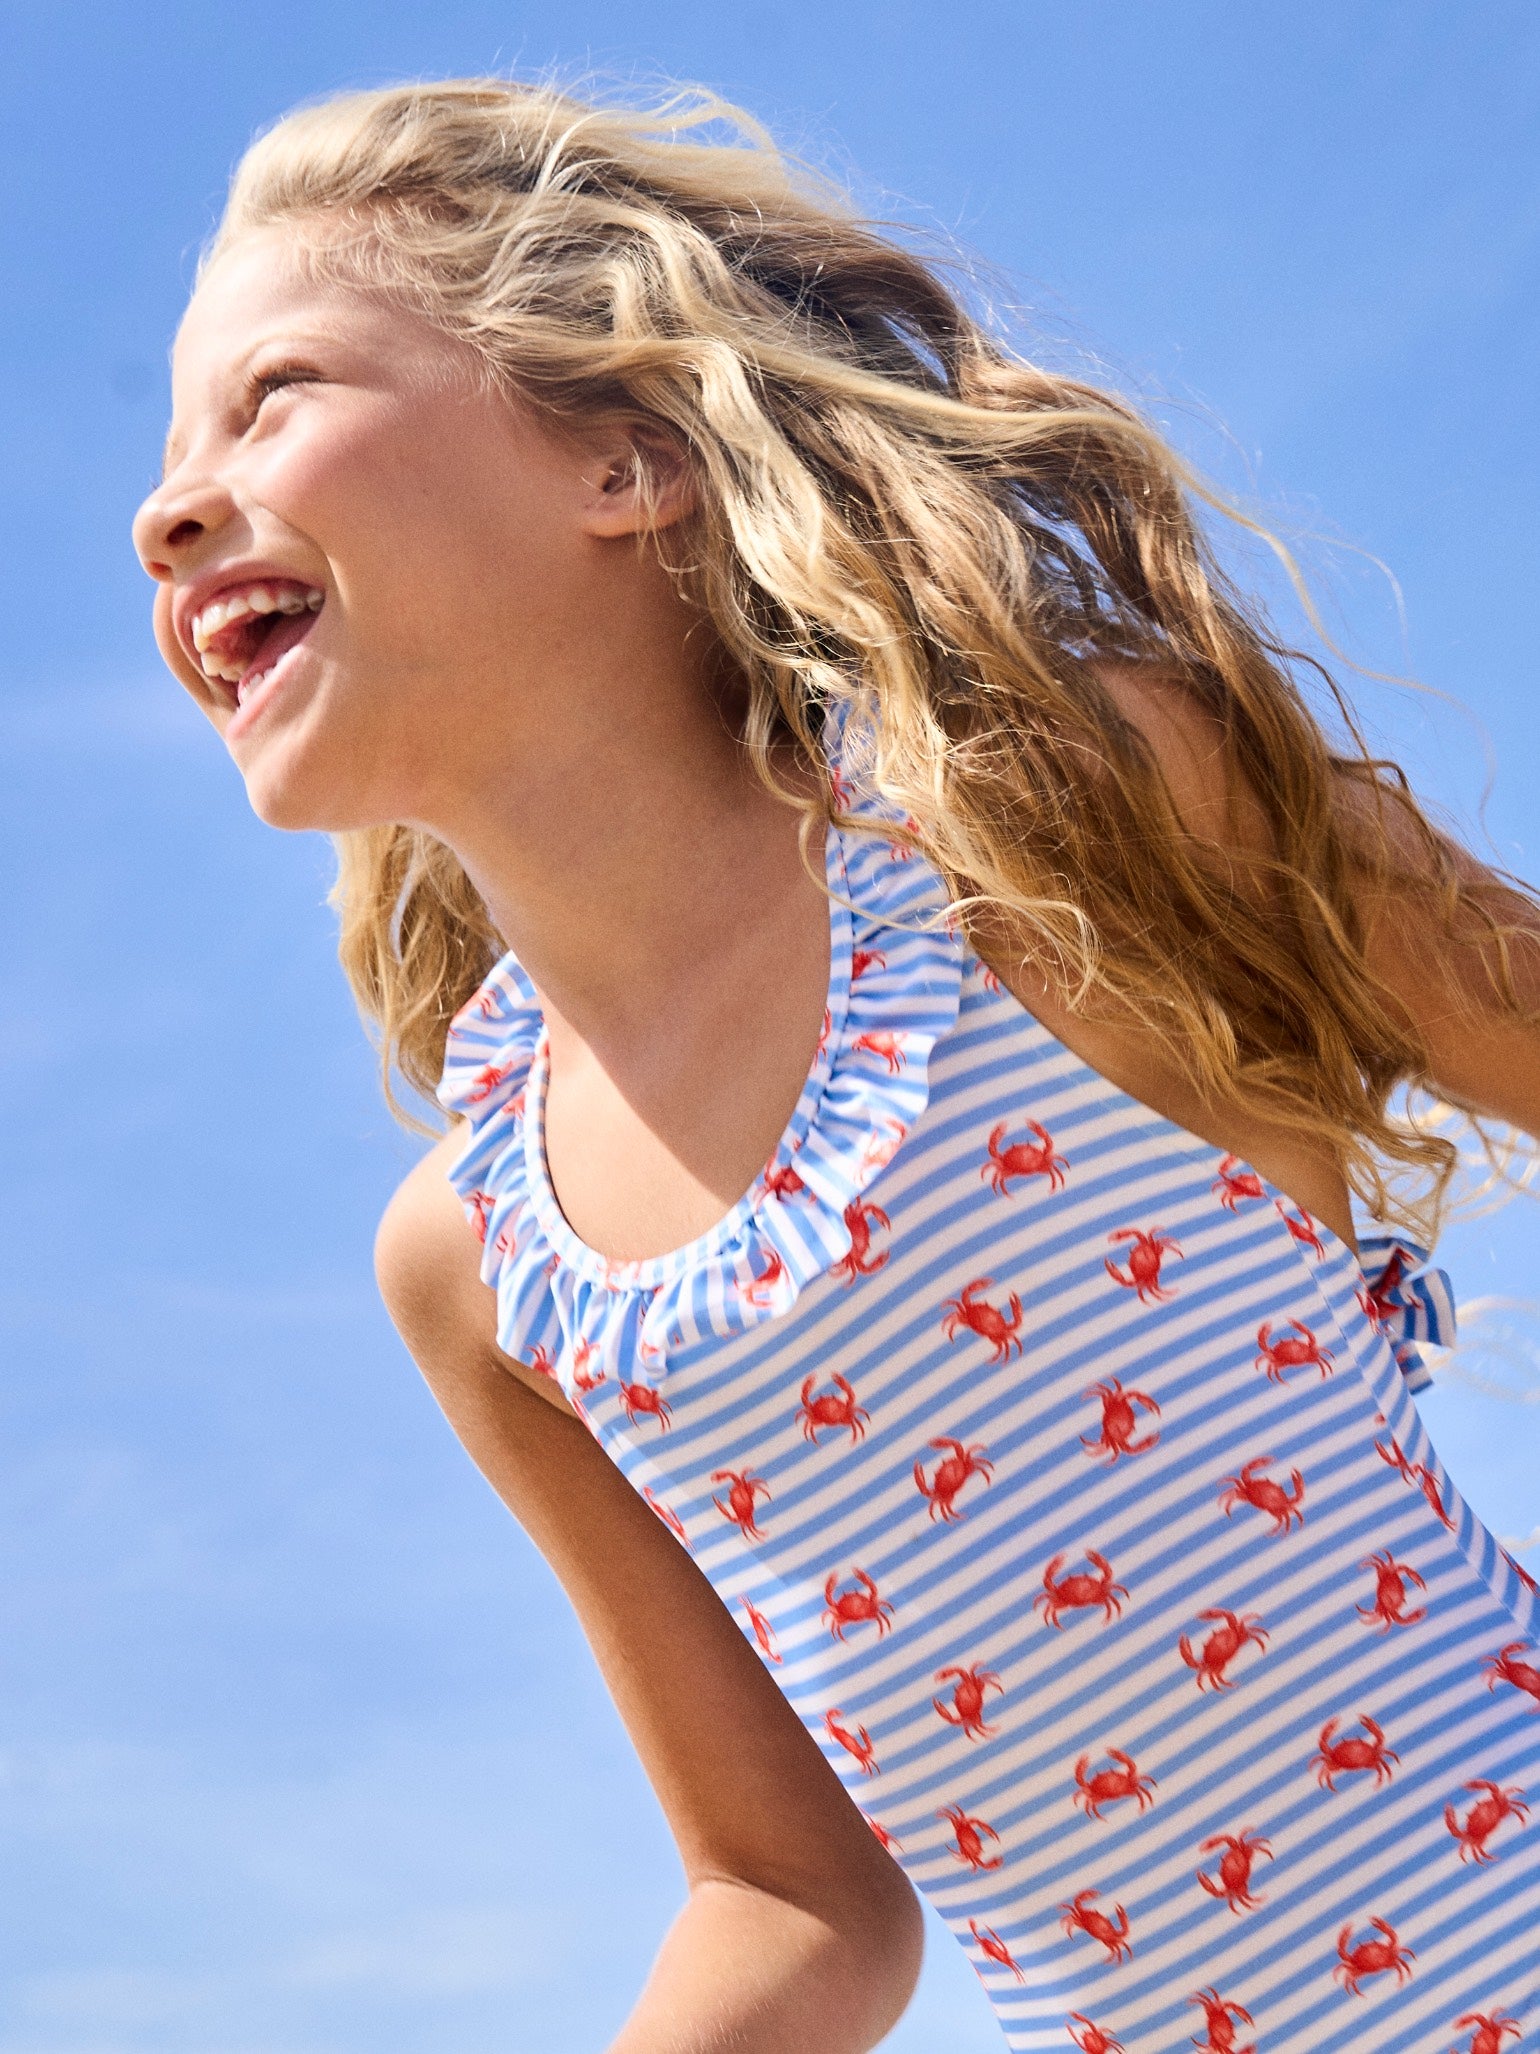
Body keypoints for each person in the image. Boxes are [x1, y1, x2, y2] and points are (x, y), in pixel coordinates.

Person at [132, 74, 1539, 2054]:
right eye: (169, 453)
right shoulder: (480, 1264)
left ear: (625, 461)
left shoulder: (1049, 819)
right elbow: (789, 1897)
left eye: (270, 397)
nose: (170, 506)